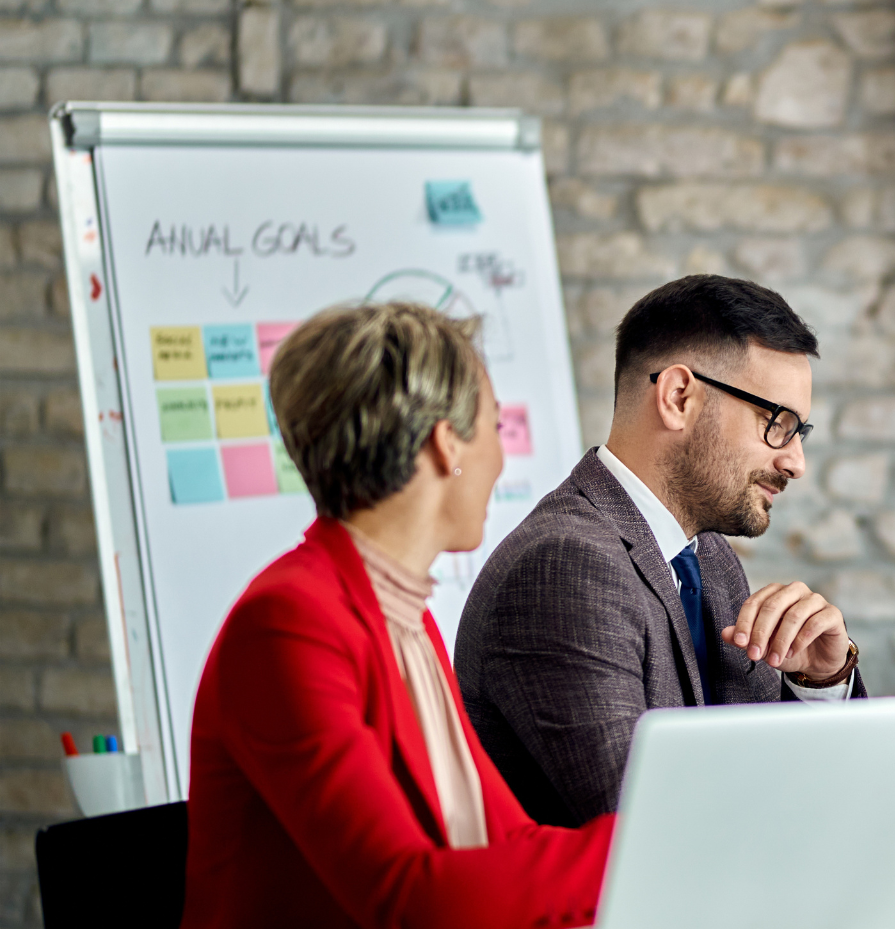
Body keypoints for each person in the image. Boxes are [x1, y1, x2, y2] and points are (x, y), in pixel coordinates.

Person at [456, 275, 895, 859]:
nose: (795, 461)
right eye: (775, 422)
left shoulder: (708, 557)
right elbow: (647, 828)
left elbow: (772, 780)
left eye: (798, 431)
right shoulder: (566, 566)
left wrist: (817, 683)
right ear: (678, 397)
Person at [184, 303, 612, 929]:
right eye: (494, 428)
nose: (500, 459)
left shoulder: (407, 617)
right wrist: (654, 847)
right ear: (447, 445)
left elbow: (504, 838)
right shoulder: (286, 624)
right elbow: (407, 895)